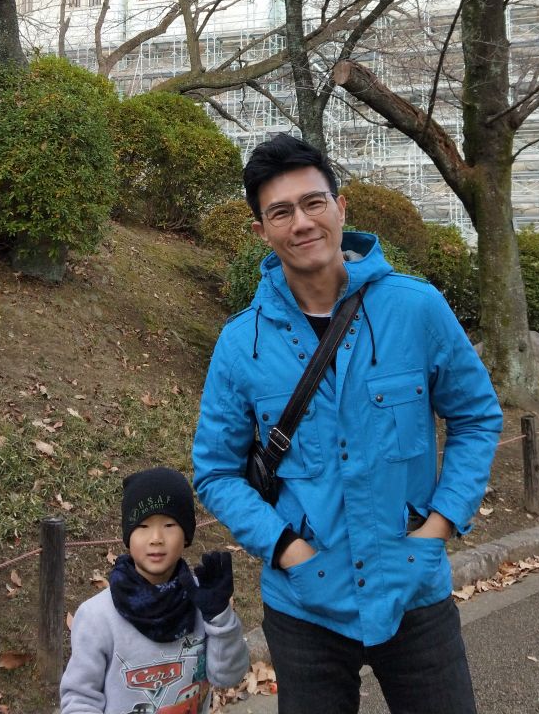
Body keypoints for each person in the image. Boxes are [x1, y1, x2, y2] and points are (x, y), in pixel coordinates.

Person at [193, 134, 503, 714]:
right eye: (280, 212)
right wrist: (286, 549)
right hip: (304, 604)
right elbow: (215, 472)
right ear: (261, 231)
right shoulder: (241, 343)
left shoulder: (417, 308)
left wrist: (438, 529)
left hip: (413, 590)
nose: (301, 222)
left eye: (313, 202)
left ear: (340, 207)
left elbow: (477, 416)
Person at [60, 466, 249, 714]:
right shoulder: (98, 616)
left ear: (187, 535)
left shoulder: (203, 600)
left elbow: (228, 677)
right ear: (128, 535)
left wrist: (220, 617)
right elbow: (80, 700)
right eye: (143, 526)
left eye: (169, 524)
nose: (156, 538)